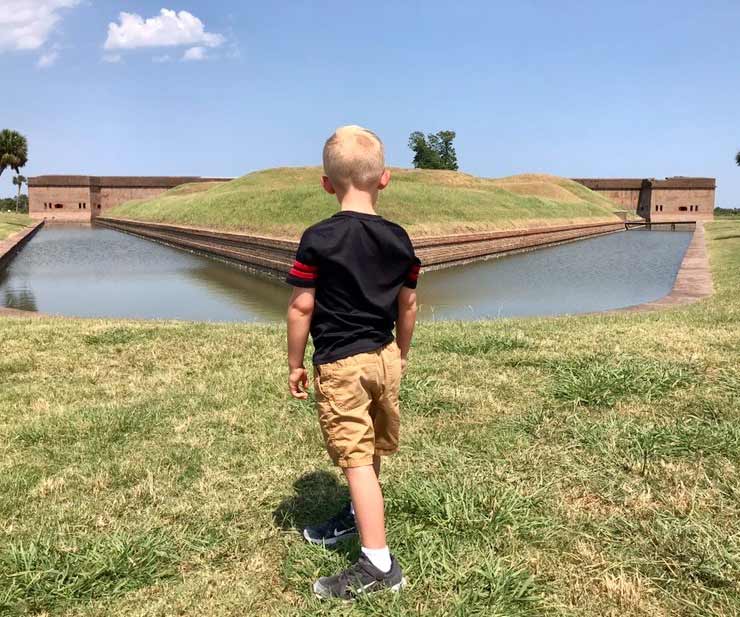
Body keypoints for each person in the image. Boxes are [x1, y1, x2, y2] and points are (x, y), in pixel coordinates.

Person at [286, 125, 420, 600]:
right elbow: (408, 305)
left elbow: (302, 306)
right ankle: (355, 515)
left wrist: (295, 362)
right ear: (385, 178)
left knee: (357, 458)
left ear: (326, 183)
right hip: (384, 357)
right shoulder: (400, 239)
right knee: (372, 449)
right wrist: (400, 354)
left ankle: (379, 565)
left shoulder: (318, 238)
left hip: (342, 364)